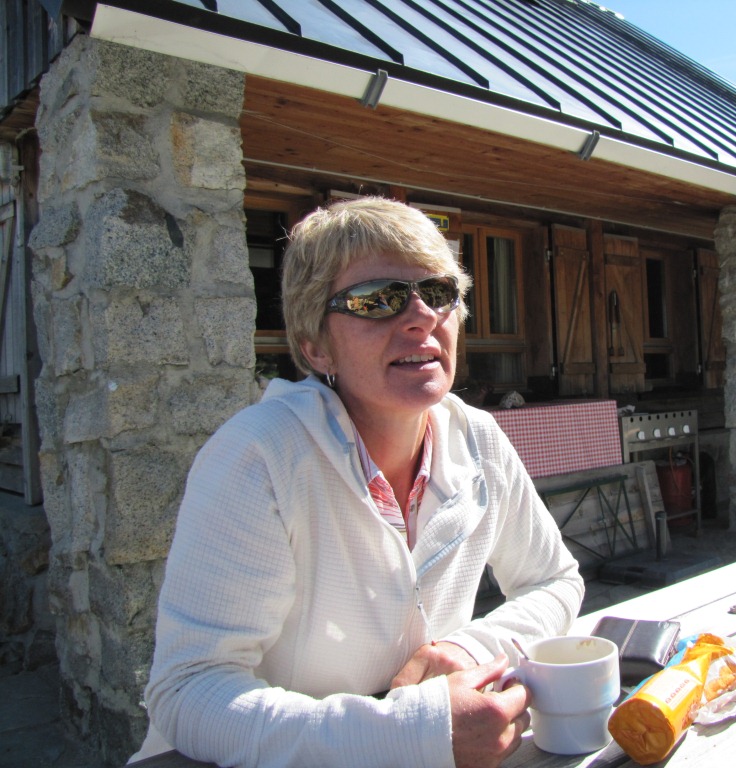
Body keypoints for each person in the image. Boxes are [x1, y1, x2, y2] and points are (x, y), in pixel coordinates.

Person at [129, 197, 584, 767]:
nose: (421, 316)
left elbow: (555, 581)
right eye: (377, 299)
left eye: (438, 292)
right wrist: (411, 734)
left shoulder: (478, 438)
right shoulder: (257, 457)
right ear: (316, 347)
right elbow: (188, 691)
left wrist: (469, 647)